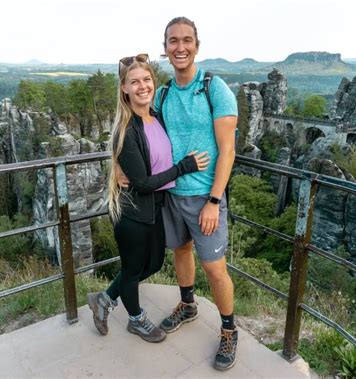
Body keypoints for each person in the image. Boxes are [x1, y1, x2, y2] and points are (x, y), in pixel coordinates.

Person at [86, 54, 209, 343]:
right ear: (124, 89)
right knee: (131, 270)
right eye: (134, 82)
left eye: (146, 79)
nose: (142, 86)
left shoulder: (157, 117)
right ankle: (136, 319)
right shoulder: (127, 130)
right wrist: (185, 167)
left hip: (155, 208)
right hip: (132, 212)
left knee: (152, 264)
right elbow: (141, 184)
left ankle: (104, 298)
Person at [155, 17, 239, 370]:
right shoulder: (162, 94)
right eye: (173, 41)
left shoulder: (214, 89)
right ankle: (188, 304)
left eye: (186, 40)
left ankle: (229, 329)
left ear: (197, 46)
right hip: (173, 194)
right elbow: (144, 139)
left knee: (215, 268)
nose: (180, 47)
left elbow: (227, 150)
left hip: (206, 197)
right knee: (181, 250)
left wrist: (214, 201)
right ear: (165, 48)